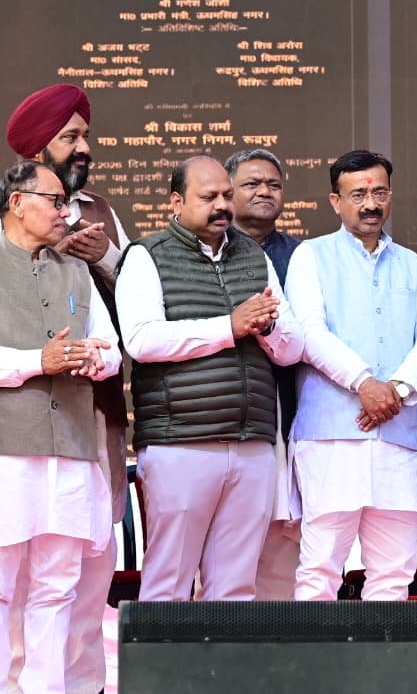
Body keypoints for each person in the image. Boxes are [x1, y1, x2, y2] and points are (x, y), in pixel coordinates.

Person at [115, 154, 303, 601]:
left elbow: (292, 348)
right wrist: (229, 326)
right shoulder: (146, 255)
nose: (222, 205)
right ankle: (163, 654)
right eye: (208, 196)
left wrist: (268, 328)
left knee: (236, 587)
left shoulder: (253, 255)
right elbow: (141, 340)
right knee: (169, 581)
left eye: (226, 195)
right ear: (176, 202)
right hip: (180, 442)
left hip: (252, 443)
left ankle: (225, 654)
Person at [5, 84, 130, 694]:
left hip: (87, 422)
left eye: (85, 136)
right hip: (14, 433)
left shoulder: (99, 216)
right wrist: (39, 360)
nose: (83, 147)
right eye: (69, 137)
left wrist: (104, 257)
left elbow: (133, 311)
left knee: (77, 574)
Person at [285, 150, 417, 601]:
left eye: (379, 193)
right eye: (358, 194)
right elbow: (308, 333)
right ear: (335, 201)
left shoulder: (412, 265)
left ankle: (385, 655)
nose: (370, 204)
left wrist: (396, 390)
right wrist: (364, 383)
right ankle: (316, 654)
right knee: (320, 569)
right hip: (330, 437)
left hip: (397, 435)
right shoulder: (310, 256)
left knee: (394, 574)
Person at [225, 148, 304, 602]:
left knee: (287, 551)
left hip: (292, 414)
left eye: (273, 184)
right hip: (225, 417)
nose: (264, 192)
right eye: (252, 184)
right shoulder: (209, 254)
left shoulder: (303, 257)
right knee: (224, 558)